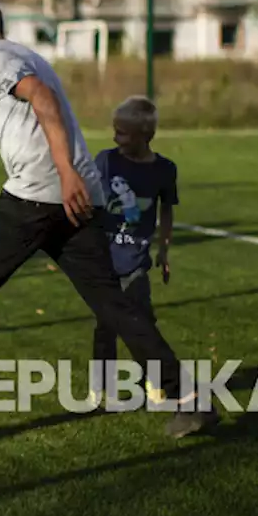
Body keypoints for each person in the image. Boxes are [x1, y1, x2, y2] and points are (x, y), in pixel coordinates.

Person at [0, 0, 216, 446]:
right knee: (111, 301)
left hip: (40, 192)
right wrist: (72, 175)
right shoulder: (27, 53)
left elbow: (42, 98)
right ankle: (189, 398)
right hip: (76, 195)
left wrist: (64, 169)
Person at [90, 95, 177, 408]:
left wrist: (164, 250)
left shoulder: (164, 170)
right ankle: (102, 386)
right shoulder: (105, 160)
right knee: (105, 324)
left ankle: (156, 380)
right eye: (115, 131)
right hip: (103, 261)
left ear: (146, 136)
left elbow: (166, 212)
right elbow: (91, 203)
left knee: (142, 321)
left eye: (123, 133)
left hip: (136, 262)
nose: (116, 138)